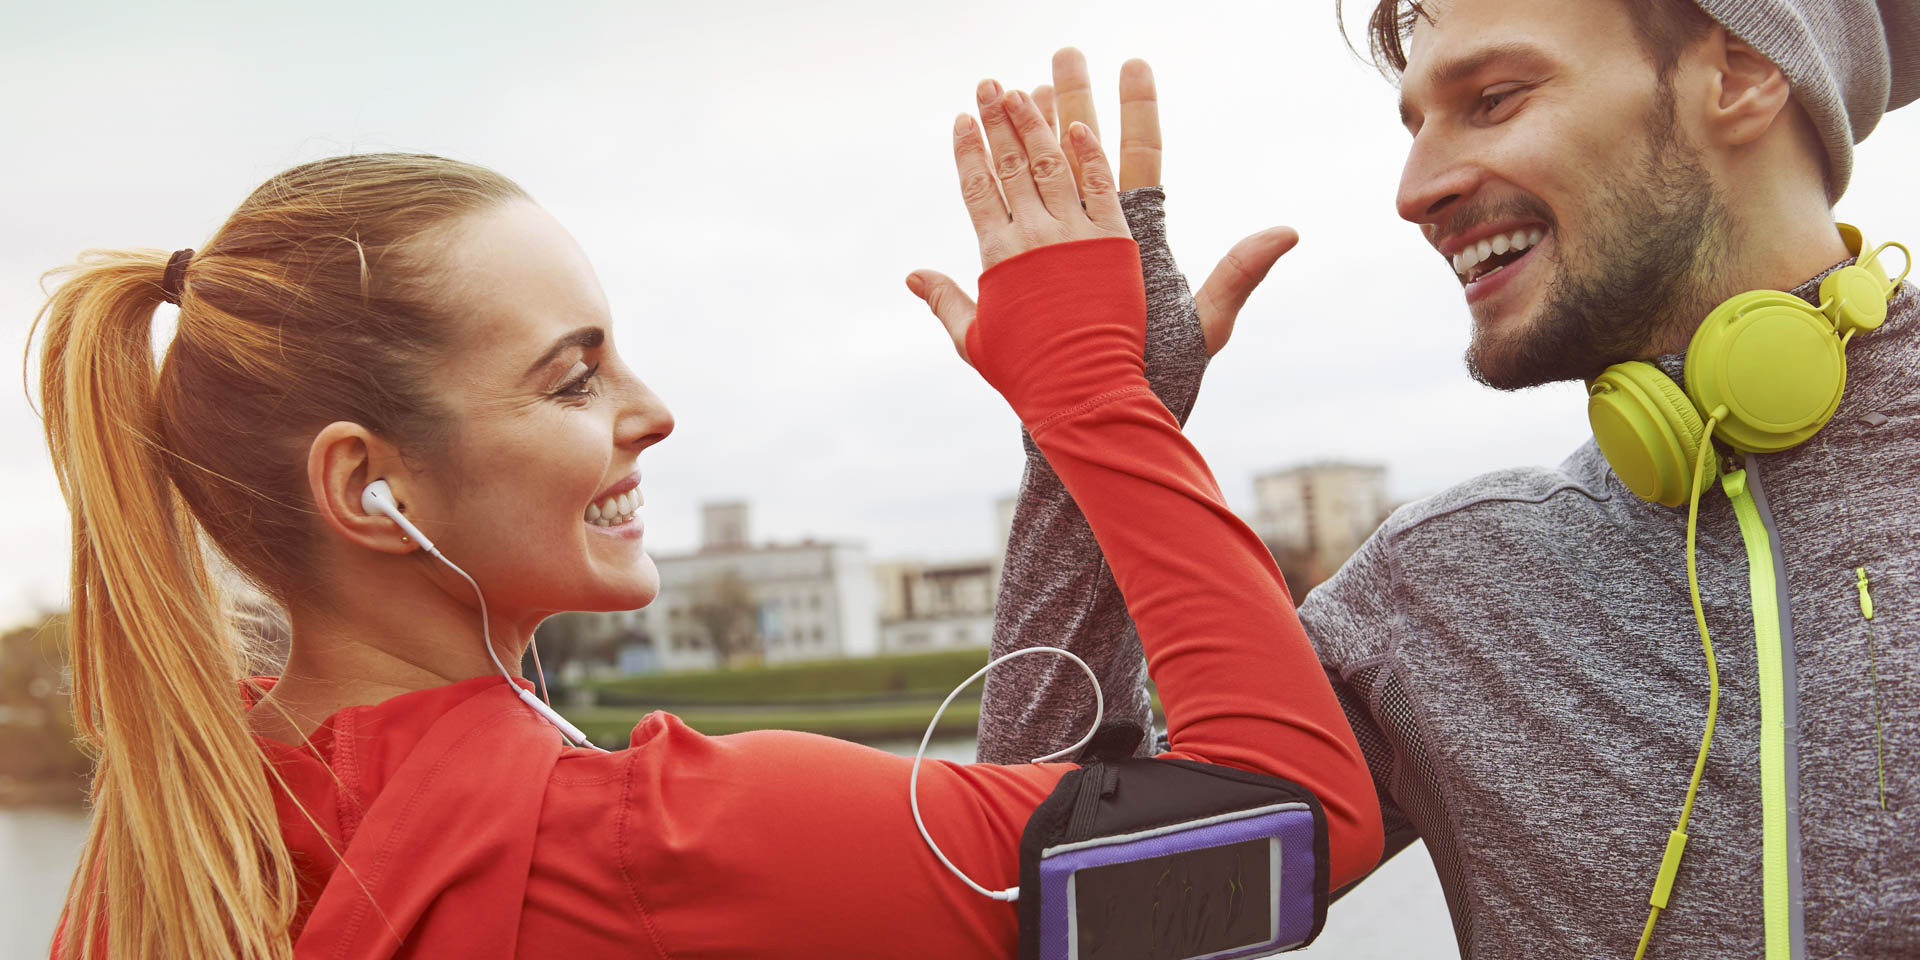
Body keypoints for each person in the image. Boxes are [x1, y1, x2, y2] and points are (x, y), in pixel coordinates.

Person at [33, 82, 1383, 959]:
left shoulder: (162, 864)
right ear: (369, 490)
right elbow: (1289, 825)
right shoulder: (642, 844)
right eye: (574, 376)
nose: (654, 410)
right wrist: (1096, 405)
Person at [955, 6, 1919, 957]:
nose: (1414, 191)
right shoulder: (1445, 588)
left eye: (1493, 98)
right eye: (1414, 124)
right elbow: (1073, 906)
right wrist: (1092, 416)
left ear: (1742, 73)